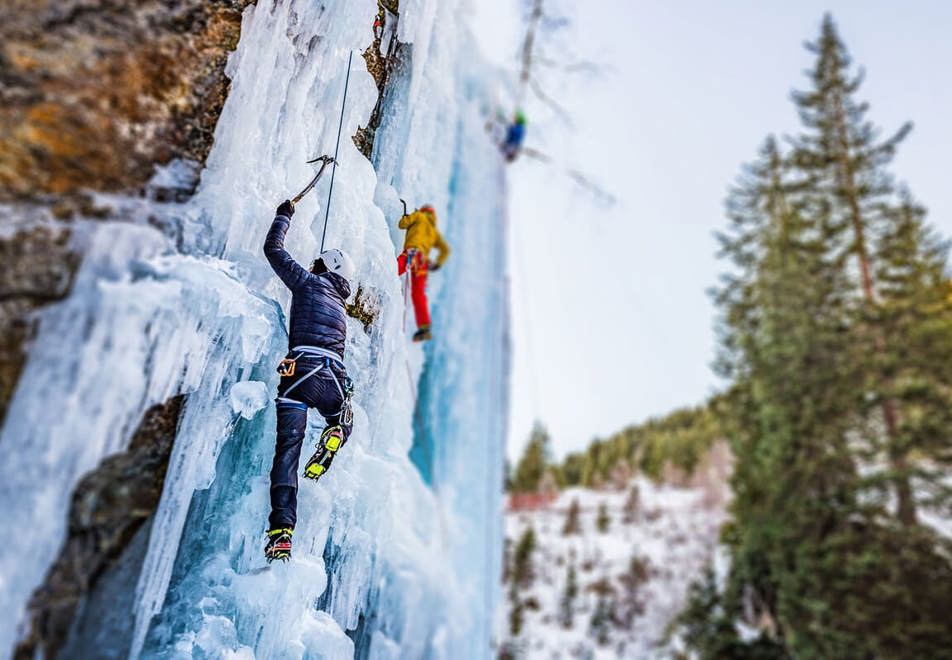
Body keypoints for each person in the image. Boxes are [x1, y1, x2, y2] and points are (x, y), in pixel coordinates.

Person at [262, 200, 356, 562]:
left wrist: (284, 213)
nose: (312, 265)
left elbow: (274, 250)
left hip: (300, 373)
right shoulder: (341, 308)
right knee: (343, 415)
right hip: (333, 376)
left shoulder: (306, 282)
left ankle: (281, 530)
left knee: (287, 451)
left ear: (325, 266)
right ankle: (336, 433)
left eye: (318, 262)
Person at [397, 204, 450, 342]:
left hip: (412, 254)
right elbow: (445, 250)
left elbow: (402, 225)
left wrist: (406, 217)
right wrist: (437, 264)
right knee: (418, 294)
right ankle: (424, 327)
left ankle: (380, 280)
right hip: (423, 263)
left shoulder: (419, 216)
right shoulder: (434, 231)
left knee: (395, 268)